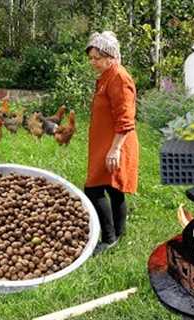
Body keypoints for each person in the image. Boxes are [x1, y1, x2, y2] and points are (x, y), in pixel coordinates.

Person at [84, 31, 139, 255]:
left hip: (116, 145)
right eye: (91, 58)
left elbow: (126, 119)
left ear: (110, 56)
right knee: (113, 189)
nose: (92, 62)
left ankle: (108, 238)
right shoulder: (107, 76)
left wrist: (115, 149)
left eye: (97, 57)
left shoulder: (119, 78)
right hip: (105, 143)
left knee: (93, 189)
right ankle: (119, 233)